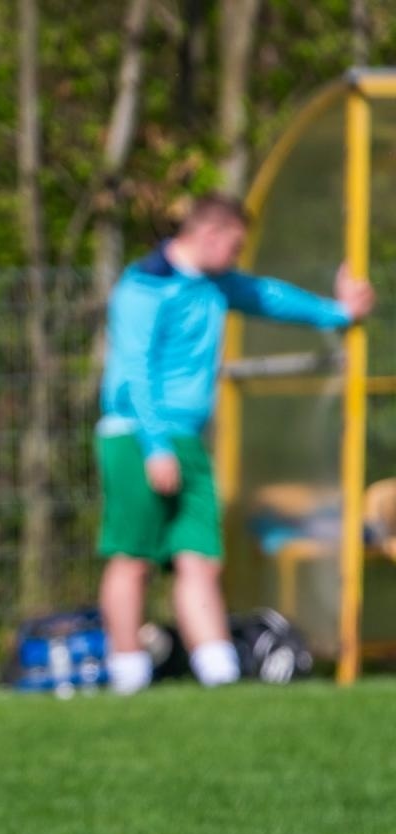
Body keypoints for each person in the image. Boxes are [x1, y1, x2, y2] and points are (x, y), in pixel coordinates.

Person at [96, 194, 375, 695]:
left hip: (188, 439)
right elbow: (134, 374)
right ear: (208, 235)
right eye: (235, 245)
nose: (238, 256)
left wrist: (339, 312)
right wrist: (155, 445)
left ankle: (218, 672)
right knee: (132, 556)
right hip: (135, 436)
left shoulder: (216, 285)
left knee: (200, 554)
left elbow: (270, 297)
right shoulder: (143, 287)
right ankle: (126, 673)